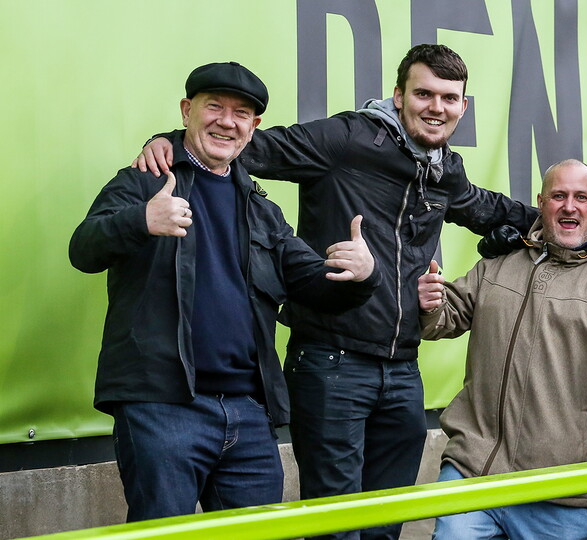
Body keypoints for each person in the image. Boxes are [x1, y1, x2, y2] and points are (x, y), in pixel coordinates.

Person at [134, 45, 537, 539]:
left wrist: (560, 220)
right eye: (424, 94)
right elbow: (246, 145)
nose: (437, 107)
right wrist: (170, 142)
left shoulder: (443, 169)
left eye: (449, 98)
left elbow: (485, 208)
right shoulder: (345, 138)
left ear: (463, 106)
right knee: (335, 529)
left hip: (403, 371)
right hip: (331, 363)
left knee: (384, 527)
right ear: (398, 95)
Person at [69, 62, 379, 522]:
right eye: (214, 106)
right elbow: (83, 249)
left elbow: (312, 285)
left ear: (253, 129)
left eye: (241, 114)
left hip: (250, 414)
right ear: (187, 111)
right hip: (162, 407)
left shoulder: (262, 208)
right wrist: (140, 221)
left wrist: (361, 275)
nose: (226, 121)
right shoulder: (144, 180)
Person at [417, 159, 587, 539]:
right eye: (558, 196)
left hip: (559, 492)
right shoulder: (499, 262)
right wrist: (430, 303)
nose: (569, 206)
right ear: (541, 202)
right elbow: (446, 318)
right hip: (471, 472)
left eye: (581, 197)